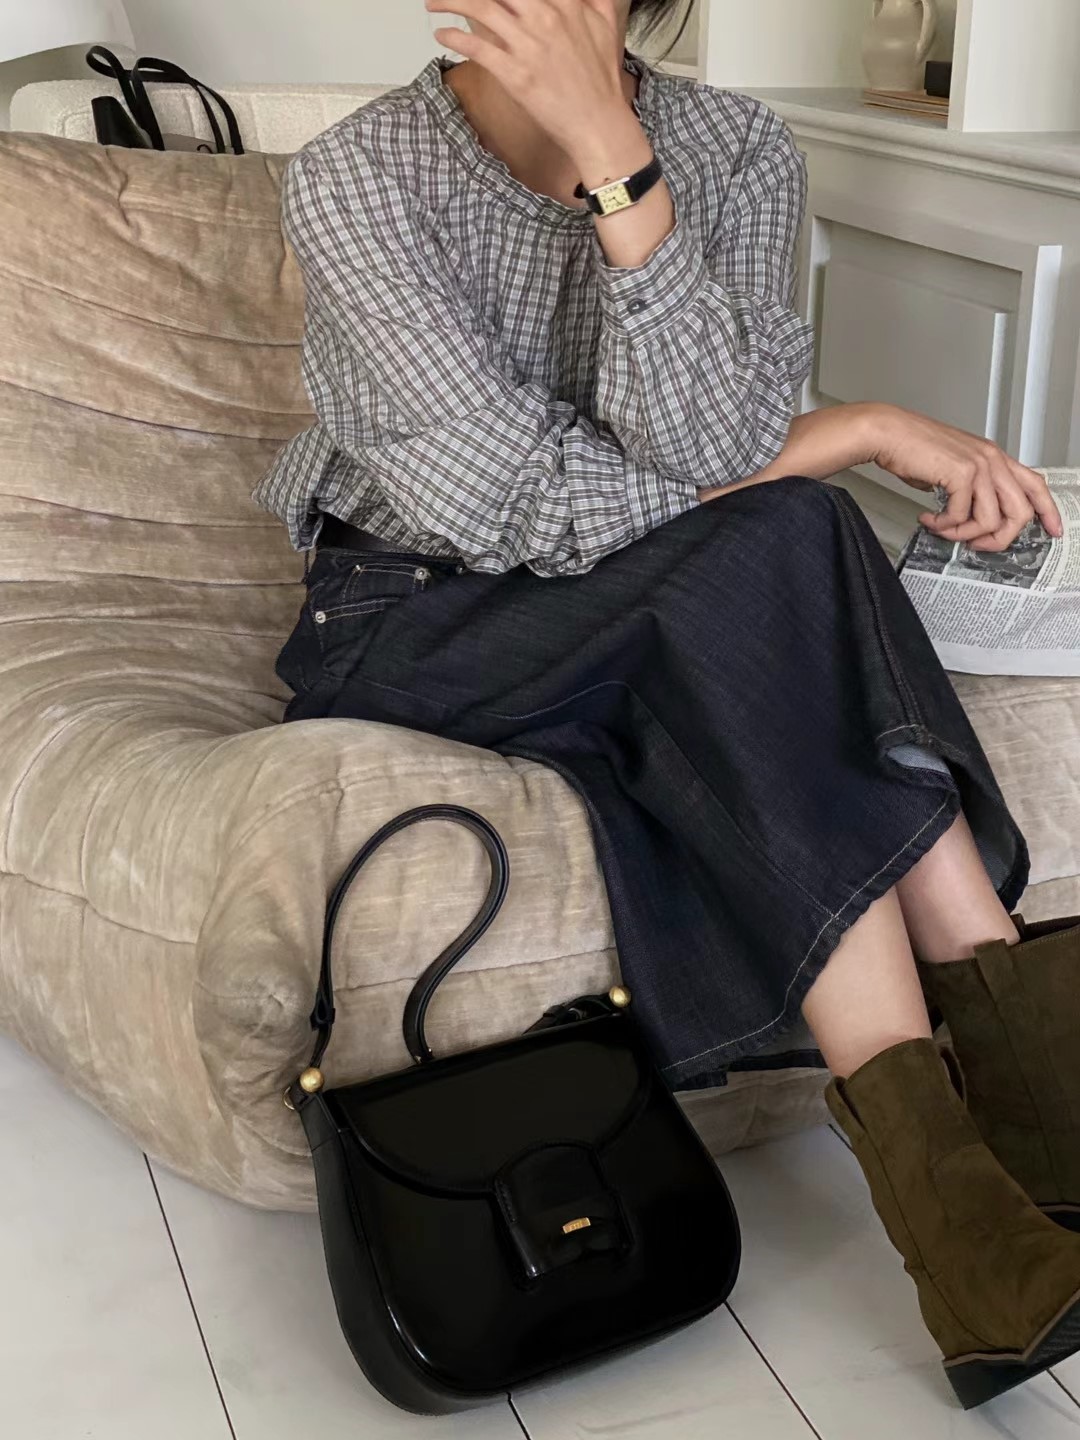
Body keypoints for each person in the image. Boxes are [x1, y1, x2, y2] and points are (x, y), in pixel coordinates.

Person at [253, 0, 1080, 1408]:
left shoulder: (732, 147)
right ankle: (1025, 1154)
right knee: (783, 532)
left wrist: (618, 162)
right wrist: (856, 429)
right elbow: (515, 507)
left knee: (780, 537)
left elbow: (717, 442)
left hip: (658, 579)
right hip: (417, 609)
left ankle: (990, 1231)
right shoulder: (360, 176)